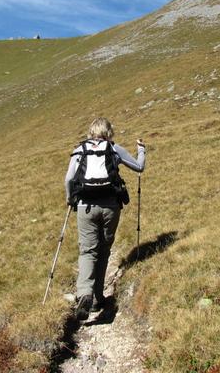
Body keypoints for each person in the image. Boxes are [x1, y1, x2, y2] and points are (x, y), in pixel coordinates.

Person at [65, 117, 146, 320]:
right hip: (110, 206)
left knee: (87, 250)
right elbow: (138, 167)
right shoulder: (114, 148)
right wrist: (142, 150)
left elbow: (69, 178)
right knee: (103, 250)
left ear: (91, 131)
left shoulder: (79, 150)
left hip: (85, 206)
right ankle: (97, 298)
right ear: (109, 131)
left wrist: (70, 199)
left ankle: (84, 293)